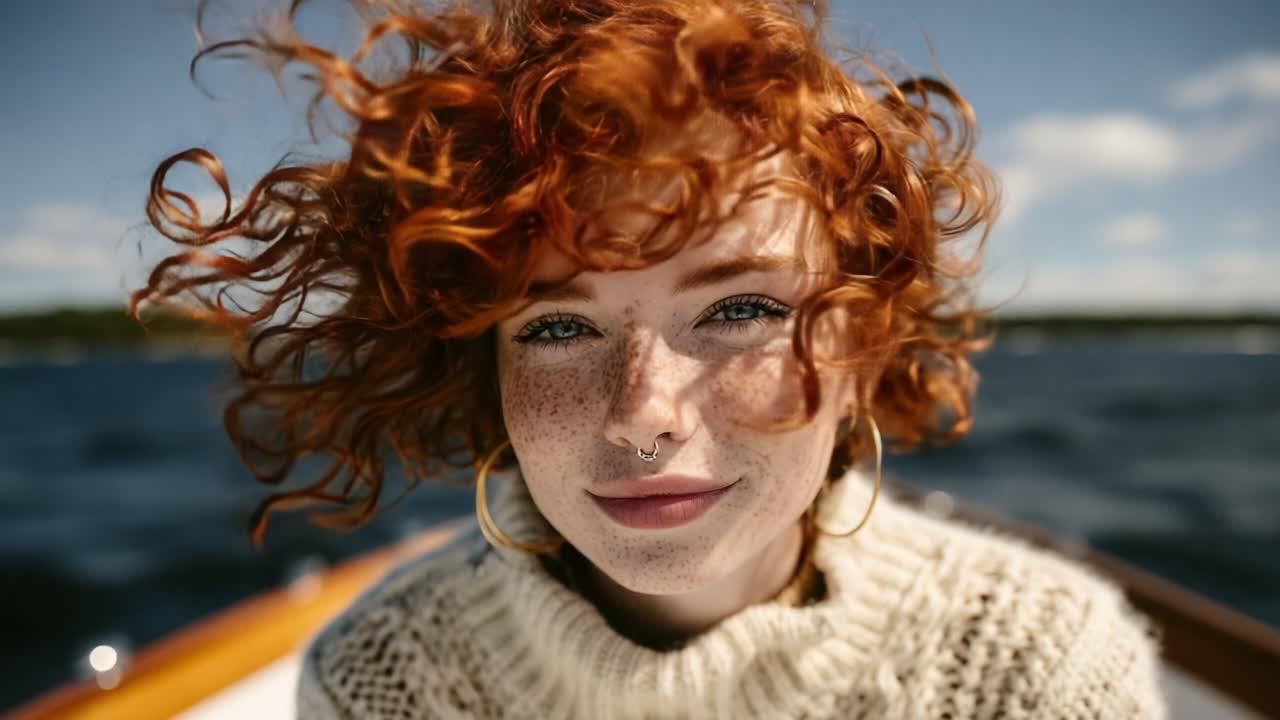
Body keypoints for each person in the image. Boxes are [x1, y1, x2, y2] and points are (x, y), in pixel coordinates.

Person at [131, 0, 1168, 717]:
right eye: (555, 326)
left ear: (858, 344)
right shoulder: (385, 688)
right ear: (477, 364)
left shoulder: (1033, 669)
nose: (643, 412)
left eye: (740, 307)